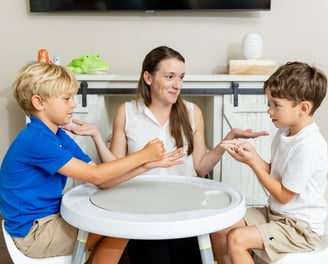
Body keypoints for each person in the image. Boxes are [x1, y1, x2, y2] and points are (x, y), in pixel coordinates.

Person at [64, 45, 269, 263]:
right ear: (148, 77)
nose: (177, 85)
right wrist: (96, 135)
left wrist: (224, 143)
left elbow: (200, 167)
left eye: (181, 77)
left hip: (187, 211)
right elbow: (114, 168)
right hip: (144, 214)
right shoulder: (127, 112)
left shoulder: (192, 112)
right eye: (170, 77)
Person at [0, 61, 185, 264]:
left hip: (49, 219)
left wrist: (146, 165)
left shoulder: (58, 136)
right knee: (119, 224)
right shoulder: (36, 139)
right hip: (34, 233)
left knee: (118, 223)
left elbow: (102, 179)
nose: (74, 104)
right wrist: (143, 155)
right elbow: (96, 176)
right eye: (67, 99)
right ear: (39, 102)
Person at [211, 61, 328, 264]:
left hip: (300, 228)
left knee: (237, 239)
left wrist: (252, 164)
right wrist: (252, 157)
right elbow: (276, 174)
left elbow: (284, 195)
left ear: (303, 108)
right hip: (277, 215)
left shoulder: (309, 146)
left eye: (276, 105)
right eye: (269, 103)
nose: (269, 111)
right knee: (220, 226)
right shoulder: (285, 132)